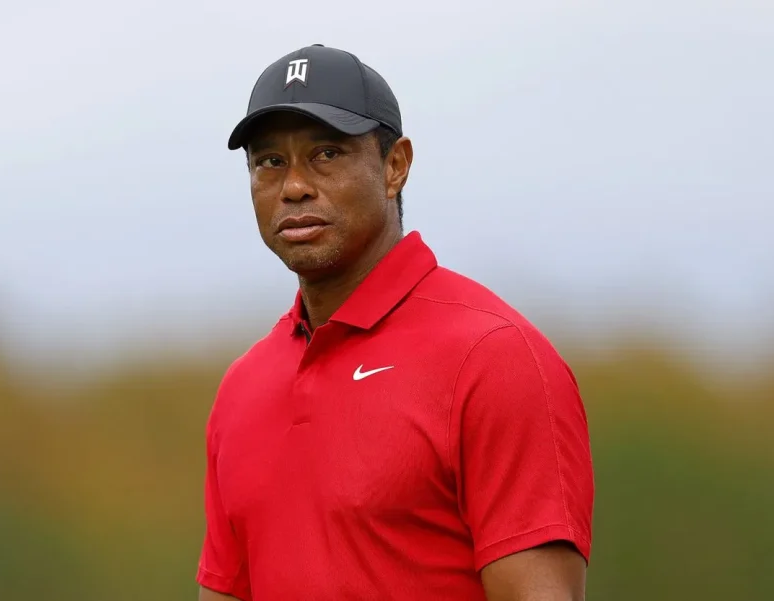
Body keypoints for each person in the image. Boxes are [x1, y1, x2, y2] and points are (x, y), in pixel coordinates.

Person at [197, 44, 594, 601]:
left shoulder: (494, 358)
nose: (293, 187)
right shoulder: (242, 387)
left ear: (395, 166)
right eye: (270, 162)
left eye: (326, 154)